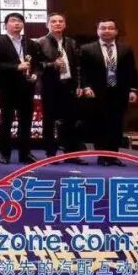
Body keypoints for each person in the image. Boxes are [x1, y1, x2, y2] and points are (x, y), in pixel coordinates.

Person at [79, 19, 138, 166]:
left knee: (116, 124)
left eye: (110, 28)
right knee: (100, 124)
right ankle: (102, 156)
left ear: (116, 31)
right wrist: (86, 87)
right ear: (97, 31)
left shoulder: (126, 48)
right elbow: (82, 71)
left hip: (119, 91)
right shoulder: (87, 49)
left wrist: (133, 90)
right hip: (97, 92)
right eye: (103, 28)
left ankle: (113, 155)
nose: (106, 31)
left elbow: (132, 70)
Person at [0, 12, 41, 164]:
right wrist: (16, 67)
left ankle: (25, 153)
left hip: (27, 87)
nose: (16, 23)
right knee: (6, 121)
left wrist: (35, 74)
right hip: (8, 87)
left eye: (19, 21)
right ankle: (5, 154)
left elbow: (37, 64)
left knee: (26, 121)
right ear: (5, 25)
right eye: (13, 21)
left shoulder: (30, 43)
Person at [37, 13, 85, 163]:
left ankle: (71, 154)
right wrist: (53, 65)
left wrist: (79, 85)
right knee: (49, 120)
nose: (57, 24)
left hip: (69, 85)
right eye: (53, 21)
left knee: (71, 121)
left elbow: (78, 66)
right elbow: (37, 65)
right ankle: (50, 154)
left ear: (65, 24)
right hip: (51, 86)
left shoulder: (71, 42)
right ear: (47, 25)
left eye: (60, 21)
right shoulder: (40, 42)